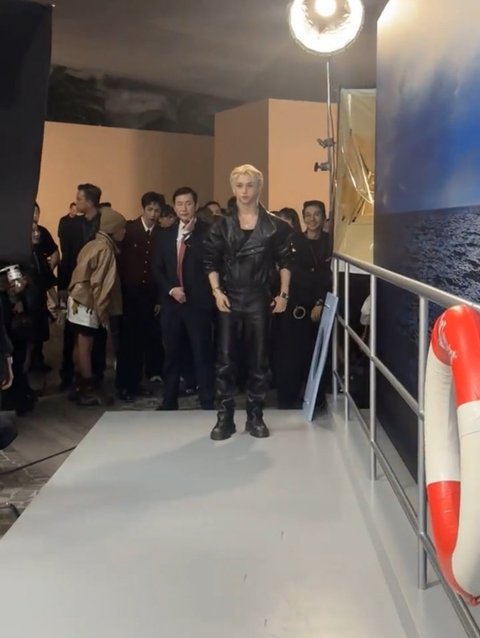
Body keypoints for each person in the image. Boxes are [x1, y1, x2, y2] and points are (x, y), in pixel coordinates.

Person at [204, 164, 292, 440]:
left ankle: (255, 416)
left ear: (259, 187)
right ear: (233, 188)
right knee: (225, 359)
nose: (244, 191)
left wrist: (283, 294)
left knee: (259, 359)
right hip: (230, 297)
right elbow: (210, 262)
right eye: (240, 185)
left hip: (259, 297)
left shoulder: (275, 226)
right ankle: (225, 417)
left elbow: (285, 262)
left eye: (250, 185)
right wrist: (217, 292)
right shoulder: (221, 225)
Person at [153, 186, 215, 411]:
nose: (184, 208)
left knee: (201, 352)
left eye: (188, 203)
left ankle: (207, 400)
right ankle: (169, 400)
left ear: (196, 205)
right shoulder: (165, 234)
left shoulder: (207, 232)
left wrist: (190, 237)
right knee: (172, 353)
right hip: (172, 303)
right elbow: (157, 268)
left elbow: (211, 263)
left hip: (198, 303)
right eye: (179, 204)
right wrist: (171, 290)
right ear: (174, 207)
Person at [272, 202, 331, 408]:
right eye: (308, 215)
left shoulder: (331, 243)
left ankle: (316, 400)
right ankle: (286, 401)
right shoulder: (293, 241)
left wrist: (320, 301)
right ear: (303, 218)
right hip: (294, 309)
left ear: (324, 217)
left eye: (317, 214)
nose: (312, 219)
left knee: (317, 355)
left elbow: (329, 276)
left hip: (320, 309)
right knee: (290, 357)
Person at [67, 207, 126, 406]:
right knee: (86, 346)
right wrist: (102, 312)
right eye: (122, 228)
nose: (124, 232)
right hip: (88, 301)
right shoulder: (105, 249)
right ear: (113, 229)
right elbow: (99, 284)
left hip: (76, 299)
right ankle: (88, 389)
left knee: (78, 344)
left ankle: (78, 384)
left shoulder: (92, 243)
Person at [116, 191, 164, 401]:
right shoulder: (129, 229)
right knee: (127, 341)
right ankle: (123, 385)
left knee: (142, 340)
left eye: (157, 210)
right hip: (129, 293)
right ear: (143, 209)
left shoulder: (161, 233)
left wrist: (159, 298)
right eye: (150, 209)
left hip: (150, 294)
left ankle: (135, 383)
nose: (153, 214)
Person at [57, 183, 106, 391]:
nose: (76, 202)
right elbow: (66, 256)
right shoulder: (71, 224)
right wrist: (62, 285)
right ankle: (70, 377)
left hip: (99, 285)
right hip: (76, 285)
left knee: (98, 334)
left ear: (90, 202)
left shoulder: (104, 223)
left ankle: (95, 377)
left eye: (79, 199)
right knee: (73, 335)